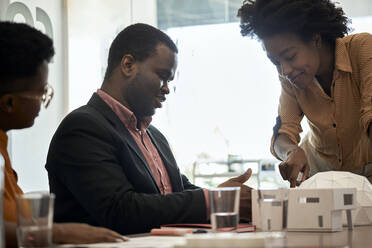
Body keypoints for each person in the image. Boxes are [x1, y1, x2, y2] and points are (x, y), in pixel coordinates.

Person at [45, 23, 253, 235]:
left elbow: (177, 191)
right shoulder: (82, 128)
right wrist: (216, 201)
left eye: (169, 80)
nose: (166, 89)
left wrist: (227, 199)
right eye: (162, 75)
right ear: (128, 65)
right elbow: (120, 210)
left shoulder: (154, 136)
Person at [0, 21, 126, 247]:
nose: (44, 102)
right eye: (41, 93)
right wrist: (59, 233)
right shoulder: (83, 127)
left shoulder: (3, 148)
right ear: (9, 103)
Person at [237, 0, 372, 187]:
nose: (285, 70)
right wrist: (292, 152)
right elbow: (283, 133)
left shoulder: (362, 49)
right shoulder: (289, 77)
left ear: (315, 39)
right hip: (321, 179)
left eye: (290, 56)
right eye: (276, 62)